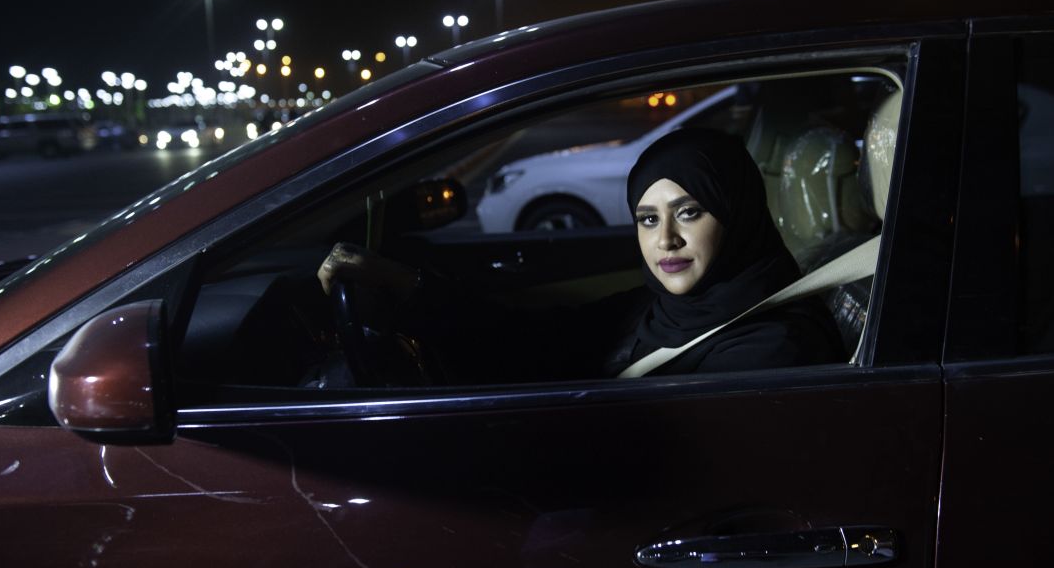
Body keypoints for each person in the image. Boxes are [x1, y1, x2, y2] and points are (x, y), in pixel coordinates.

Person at [319, 128, 845, 379]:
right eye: (647, 218)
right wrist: (408, 290)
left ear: (738, 217)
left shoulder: (772, 351)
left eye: (689, 213)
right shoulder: (655, 311)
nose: (665, 241)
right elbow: (534, 338)